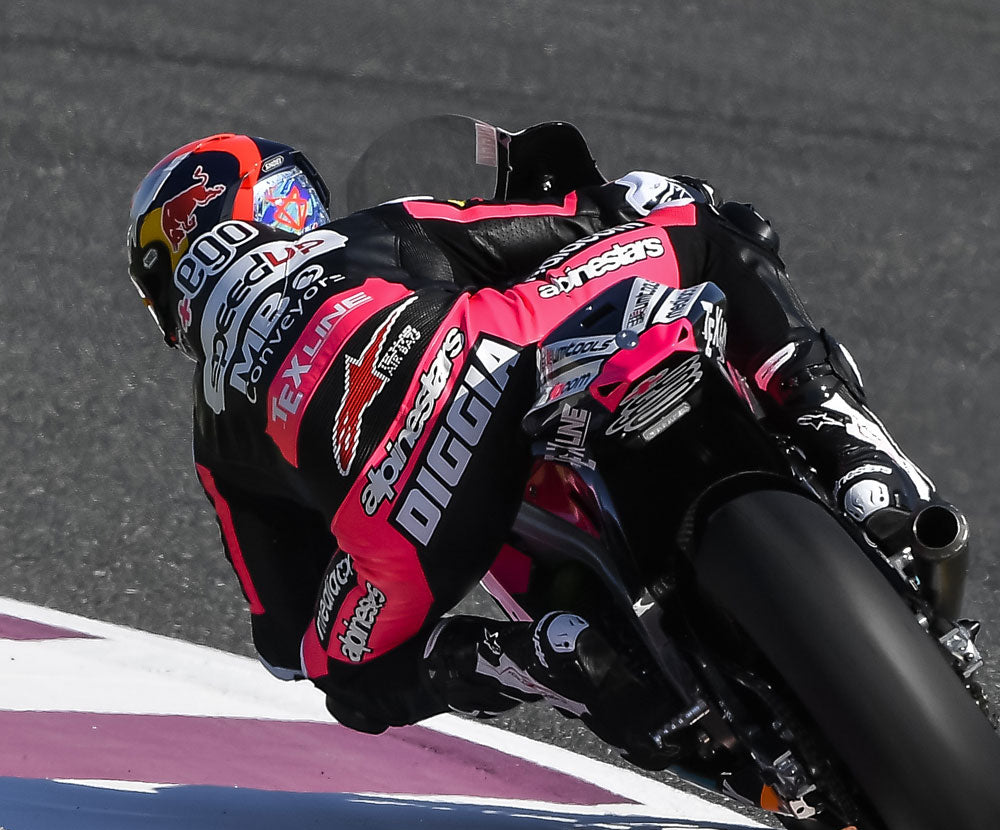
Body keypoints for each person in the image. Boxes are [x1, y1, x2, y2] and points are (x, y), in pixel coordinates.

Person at [126, 125, 936, 765]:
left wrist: (355, 536)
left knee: (340, 670)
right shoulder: (366, 234)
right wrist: (632, 203)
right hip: (487, 366)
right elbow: (575, 228)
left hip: (407, 514)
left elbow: (284, 644)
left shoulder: (213, 431)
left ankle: (535, 655)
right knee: (706, 232)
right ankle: (850, 454)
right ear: (283, 203)